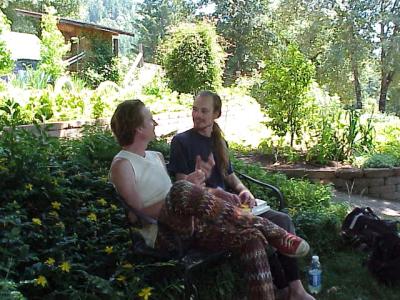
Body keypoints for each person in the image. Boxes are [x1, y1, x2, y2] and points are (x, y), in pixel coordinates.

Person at [109, 99, 310, 300]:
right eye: (150, 120)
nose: (155, 123)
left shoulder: (156, 156)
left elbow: (172, 195)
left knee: (251, 238)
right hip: (162, 235)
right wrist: (182, 190)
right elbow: (137, 216)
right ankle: (271, 229)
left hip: (190, 225)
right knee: (181, 189)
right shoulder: (123, 164)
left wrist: (195, 185)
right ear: (138, 129)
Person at [168, 91, 315, 300]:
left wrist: (244, 191)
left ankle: (296, 289)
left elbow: (230, 176)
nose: (197, 115)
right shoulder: (181, 141)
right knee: (257, 230)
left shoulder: (219, 142)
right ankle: (282, 289)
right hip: (211, 212)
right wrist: (207, 186)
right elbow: (182, 186)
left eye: (203, 111)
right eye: (194, 109)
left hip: (235, 206)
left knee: (283, 219)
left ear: (216, 114)